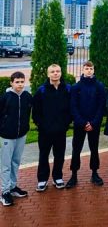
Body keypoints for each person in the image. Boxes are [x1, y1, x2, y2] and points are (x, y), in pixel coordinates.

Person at [66, 61, 106, 189]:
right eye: (87, 68)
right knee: (76, 149)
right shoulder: (76, 87)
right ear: (82, 70)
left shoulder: (99, 86)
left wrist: (93, 123)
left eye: (91, 68)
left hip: (94, 124)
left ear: (94, 70)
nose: (89, 70)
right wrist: (82, 122)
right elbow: (73, 107)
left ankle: (94, 173)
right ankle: (74, 175)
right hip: (80, 124)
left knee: (94, 149)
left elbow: (101, 106)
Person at [32, 64, 72, 192]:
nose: (55, 73)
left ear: (61, 73)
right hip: (45, 131)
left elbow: (70, 109)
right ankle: (42, 180)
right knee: (44, 155)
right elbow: (36, 111)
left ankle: (57, 177)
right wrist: (41, 125)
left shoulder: (67, 89)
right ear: (48, 74)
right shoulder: (42, 90)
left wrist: (66, 124)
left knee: (59, 155)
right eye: (53, 71)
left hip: (61, 130)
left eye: (58, 71)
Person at [0, 72, 32, 206]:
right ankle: (5, 192)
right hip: (7, 136)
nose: (20, 84)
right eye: (17, 82)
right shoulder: (5, 97)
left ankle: (13, 187)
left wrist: (25, 127)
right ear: (11, 83)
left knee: (15, 162)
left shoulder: (27, 96)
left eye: (22, 82)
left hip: (21, 135)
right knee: (6, 164)